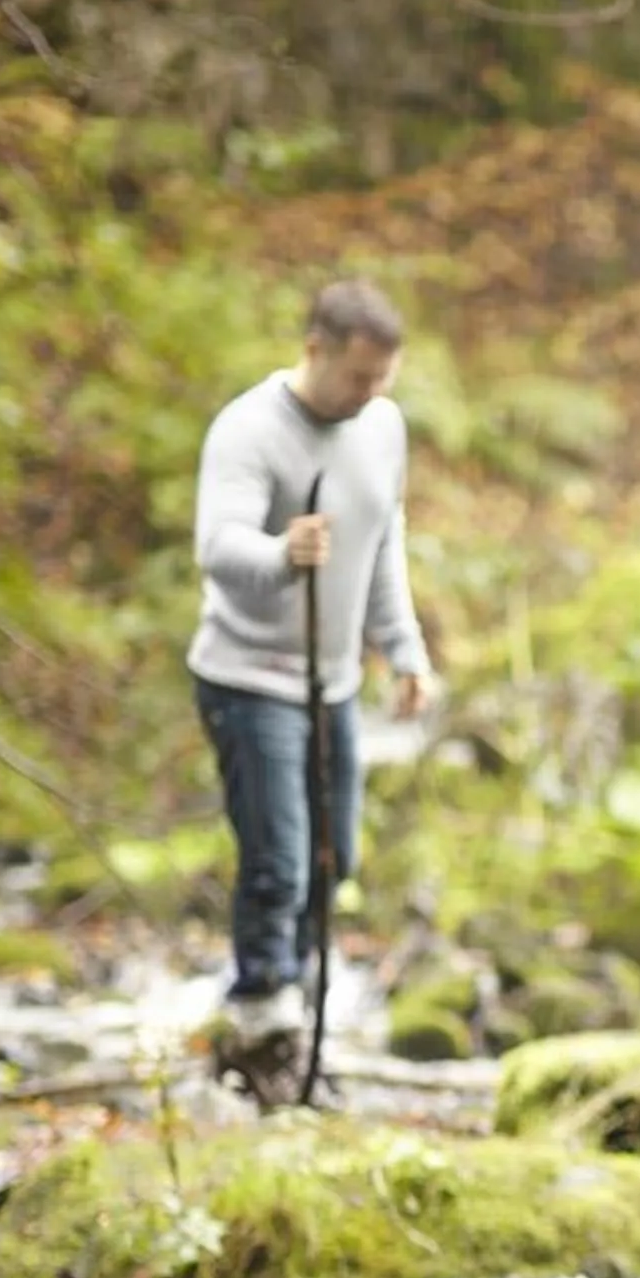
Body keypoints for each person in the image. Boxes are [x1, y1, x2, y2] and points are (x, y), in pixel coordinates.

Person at [188, 279, 434, 1035]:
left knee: (336, 862)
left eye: (381, 381)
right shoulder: (249, 429)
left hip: (332, 685)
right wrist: (282, 554)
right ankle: (260, 1009)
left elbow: (380, 542)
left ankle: (292, 1005)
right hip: (249, 679)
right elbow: (217, 547)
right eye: (358, 377)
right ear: (315, 350)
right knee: (279, 864)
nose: (369, 395)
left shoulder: (382, 427)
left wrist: (403, 648)